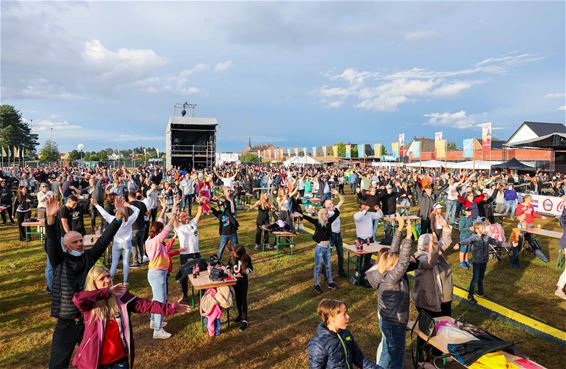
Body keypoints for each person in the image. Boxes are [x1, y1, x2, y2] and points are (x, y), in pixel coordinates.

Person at [44, 195, 122, 369]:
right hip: (67, 321)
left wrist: (118, 218)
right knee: (58, 363)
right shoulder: (59, 260)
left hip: (89, 318)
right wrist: (50, 219)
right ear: (66, 245)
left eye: (81, 240)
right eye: (75, 241)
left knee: (94, 360)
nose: (80, 243)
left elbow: (104, 240)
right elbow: (52, 244)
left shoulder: (88, 258)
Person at [71, 265, 190, 369]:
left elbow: (146, 306)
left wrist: (171, 308)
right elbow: (77, 299)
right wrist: (106, 292)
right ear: (93, 283)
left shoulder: (121, 297)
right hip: (96, 362)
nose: (107, 280)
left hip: (120, 360)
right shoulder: (89, 304)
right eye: (102, 279)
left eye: (108, 276)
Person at [366, 215, 413, 369]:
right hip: (395, 322)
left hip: (387, 319)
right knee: (396, 354)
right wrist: (409, 236)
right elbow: (404, 261)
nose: (399, 265)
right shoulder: (391, 279)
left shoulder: (382, 272)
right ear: (391, 266)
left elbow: (393, 253)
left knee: (387, 350)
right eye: (396, 264)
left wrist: (399, 230)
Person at [307, 299, 382, 369]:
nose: (348, 316)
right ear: (331, 318)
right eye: (344, 314)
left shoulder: (346, 334)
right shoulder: (318, 344)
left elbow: (359, 358)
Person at [145, 201, 178, 339]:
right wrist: (174, 213)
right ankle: (157, 330)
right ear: (159, 232)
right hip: (157, 273)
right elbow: (167, 228)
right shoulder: (157, 240)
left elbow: (157, 223)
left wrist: (163, 209)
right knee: (159, 301)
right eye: (161, 230)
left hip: (157, 272)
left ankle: (154, 321)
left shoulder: (150, 239)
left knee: (159, 298)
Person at [457, 223, 510, 304]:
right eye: (482, 228)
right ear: (477, 230)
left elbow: (497, 242)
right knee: (475, 278)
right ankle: (470, 295)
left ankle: (480, 293)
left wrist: (510, 245)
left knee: (481, 278)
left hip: (484, 261)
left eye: (484, 228)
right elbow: (467, 241)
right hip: (477, 262)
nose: (484, 229)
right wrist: (459, 244)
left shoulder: (486, 237)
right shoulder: (474, 237)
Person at [92, 198, 140, 285]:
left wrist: (96, 205)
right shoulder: (129, 220)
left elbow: (104, 213)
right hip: (127, 244)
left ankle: (110, 281)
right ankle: (125, 282)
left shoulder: (112, 219)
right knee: (126, 263)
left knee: (114, 263)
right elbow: (137, 210)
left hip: (117, 243)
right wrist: (128, 205)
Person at [301, 207, 341, 294]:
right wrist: (300, 215)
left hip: (327, 248)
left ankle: (330, 283)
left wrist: (333, 207)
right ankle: (316, 285)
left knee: (328, 266)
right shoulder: (318, 222)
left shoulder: (329, 222)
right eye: (325, 214)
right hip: (319, 248)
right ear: (321, 215)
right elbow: (308, 218)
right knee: (317, 267)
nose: (327, 215)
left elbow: (337, 213)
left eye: (327, 214)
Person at [174, 197, 203, 303]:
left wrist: (200, 203)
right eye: (183, 216)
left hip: (195, 253)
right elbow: (174, 220)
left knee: (200, 272)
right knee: (185, 274)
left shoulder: (193, 223)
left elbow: (199, 214)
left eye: (186, 215)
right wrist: (175, 208)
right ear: (179, 218)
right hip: (185, 254)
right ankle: (185, 294)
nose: (186, 217)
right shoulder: (179, 227)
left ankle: (202, 291)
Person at [353, 200, 384, 285]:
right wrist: (364, 210)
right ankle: (357, 274)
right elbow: (357, 218)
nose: (365, 209)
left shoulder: (370, 214)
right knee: (360, 258)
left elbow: (379, 216)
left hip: (369, 240)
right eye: (362, 208)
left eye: (365, 207)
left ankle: (365, 274)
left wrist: (378, 209)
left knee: (367, 258)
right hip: (361, 240)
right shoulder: (357, 215)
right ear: (359, 209)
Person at [211, 187, 239, 261]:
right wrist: (210, 204)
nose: (229, 192)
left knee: (236, 248)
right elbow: (214, 210)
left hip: (232, 232)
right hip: (224, 233)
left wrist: (218, 199)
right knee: (220, 250)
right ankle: (217, 262)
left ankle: (237, 261)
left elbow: (227, 204)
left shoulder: (228, 203)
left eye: (230, 190)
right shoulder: (220, 213)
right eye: (228, 191)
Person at [229, 244, 253, 331]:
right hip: (235, 282)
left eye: (236, 254)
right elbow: (229, 264)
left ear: (241, 254)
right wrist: (228, 268)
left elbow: (250, 269)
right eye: (234, 253)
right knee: (238, 300)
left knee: (243, 300)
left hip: (243, 282)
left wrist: (243, 273)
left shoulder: (246, 258)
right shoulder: (233, 256)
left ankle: (245, 319)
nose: (235, 255)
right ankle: (240, 316)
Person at [325, 190, 345, 278]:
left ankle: (341, 270)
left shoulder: (336, 208)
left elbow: (342, 200)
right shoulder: (325, 213)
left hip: (338, 235)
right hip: (330, 236)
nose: (331, 204)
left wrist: (337, 193)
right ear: (326, 206)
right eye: (329, 204)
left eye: (332, 203)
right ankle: (325, 272)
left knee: (340, 254)